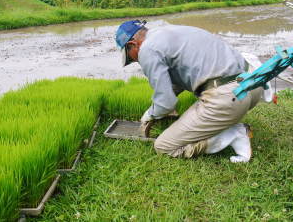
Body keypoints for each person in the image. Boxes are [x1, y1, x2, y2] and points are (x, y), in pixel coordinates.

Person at [115, 20, 268, 163]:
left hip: (228, 97)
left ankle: (233, 134)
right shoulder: (168, 32)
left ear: (132, 44)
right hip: (253, 85)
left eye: (131, 58)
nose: (135, 61)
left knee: (163, 146)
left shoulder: (146, 49)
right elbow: (184, 73)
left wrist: (151, 113)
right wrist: (164, 99)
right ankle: (227, 125)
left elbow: (166, 103)